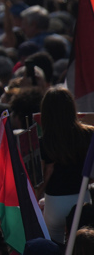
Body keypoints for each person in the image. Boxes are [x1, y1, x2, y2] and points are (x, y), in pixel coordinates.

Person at [38, 87, 94, 239]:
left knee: (54, 242)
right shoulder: (89, 134)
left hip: (54, 201)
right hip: (81, 196)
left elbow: (45, 174)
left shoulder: (44, 142)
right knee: (83, 242)